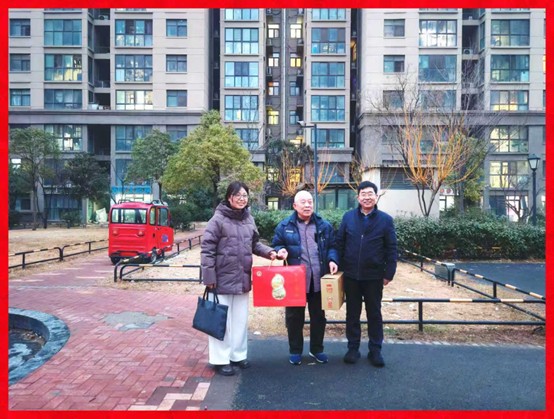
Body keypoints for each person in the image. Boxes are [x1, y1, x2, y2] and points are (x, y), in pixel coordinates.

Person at [201, 181, 278, 376]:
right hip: (220, 279)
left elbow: (255, 244)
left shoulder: (248, 219)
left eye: (245, 195)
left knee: (240, 320)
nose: (242, 199)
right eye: (238, 195)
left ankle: (238, 355)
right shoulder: (218, 219)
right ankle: (220, 359)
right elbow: (207, 249)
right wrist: (209, 277)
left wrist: (270, 252)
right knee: (220, 320)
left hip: (242, 278)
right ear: (229, 197)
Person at [272, 190, 339, 365]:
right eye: (303, 202)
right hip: (294, 281)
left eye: (310, 202)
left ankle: (317, 349)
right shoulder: (285, 226)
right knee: (294, 317)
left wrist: (332, 259)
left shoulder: (324, 225)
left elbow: (333, 246)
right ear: (295, 206)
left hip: (318, 279)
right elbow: (277, 244)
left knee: (319, 316)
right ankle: (295, 350)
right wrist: (280, 251)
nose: (308, 205)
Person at [336, 181, 397, 367]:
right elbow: (340, 243)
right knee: (352, 314)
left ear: (376, 196)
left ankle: (375, 350)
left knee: (374, 314)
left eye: (370, 194)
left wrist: (389, 273)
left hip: (374, 276)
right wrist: (337, 266)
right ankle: (352, 348)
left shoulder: (386, 220)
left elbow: (392, 248)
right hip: (351, 275)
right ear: (358, 197)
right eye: (363, 194)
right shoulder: (348, 217)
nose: (367, 197)